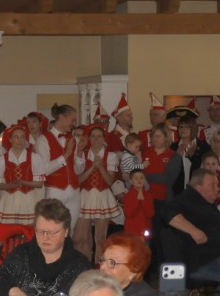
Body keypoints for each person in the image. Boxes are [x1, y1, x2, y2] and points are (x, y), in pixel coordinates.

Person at [0, 198, 92, 296]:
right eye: (40, 231)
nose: (45, 237)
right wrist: (14, 291)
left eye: (52, 232)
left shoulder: (80, 265)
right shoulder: (22, 254)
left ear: (66, 232)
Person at [160, 169, 220, 296]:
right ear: (198, 187)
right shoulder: (186, 200)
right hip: (201, 262)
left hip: (215, 258)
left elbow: (210, 227)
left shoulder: (203, 203)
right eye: (213, 185)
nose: (217, 188)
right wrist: (193, 230)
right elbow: (167, 212)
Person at [75, 124, 121, 262]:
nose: (96, 139)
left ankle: (99, 266)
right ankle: (83, 265)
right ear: (89, 138)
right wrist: (92, 167)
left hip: (103, 196)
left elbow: (109, 181)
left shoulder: (111, 155)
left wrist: (100, 166)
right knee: (80, 237)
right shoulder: (83, 154)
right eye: (93, 136)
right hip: (85, 196)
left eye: (99, 136)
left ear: (104, 138)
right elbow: (79, 180)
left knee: (101, 238)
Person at [0, 123, 45, 224]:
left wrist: (23, 182)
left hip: (28, 199)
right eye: (16, 137)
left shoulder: (34, 158)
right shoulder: (1, 159)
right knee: (9, 230)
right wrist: (11, 185)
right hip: (9, 199)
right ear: (10, 139)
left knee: (28, 230)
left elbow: (39, 184)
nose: (20, 140)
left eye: (22, 137)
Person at [40, 103, 81, 228]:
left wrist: (79, 153)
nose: (74, 123)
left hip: (74, 191)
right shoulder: (43, 139)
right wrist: (65, 155)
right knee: (53, 228)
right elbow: (44, 169)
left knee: (70, 230)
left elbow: (77, 170)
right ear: (62, 117)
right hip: (54, 190)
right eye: (72, 120)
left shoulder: (73, 140)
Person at [123, 169, 154, 239]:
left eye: (142, 178)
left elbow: (150, 213)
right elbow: (128, 213)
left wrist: (143, 200)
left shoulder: (148, 195)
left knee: (144, 245)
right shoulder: (128, 195)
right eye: (136, 178)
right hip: (131, 231)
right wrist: (137, 200)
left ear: (145, 180)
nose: (139, 180)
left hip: (145, 230)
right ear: (131, 181)